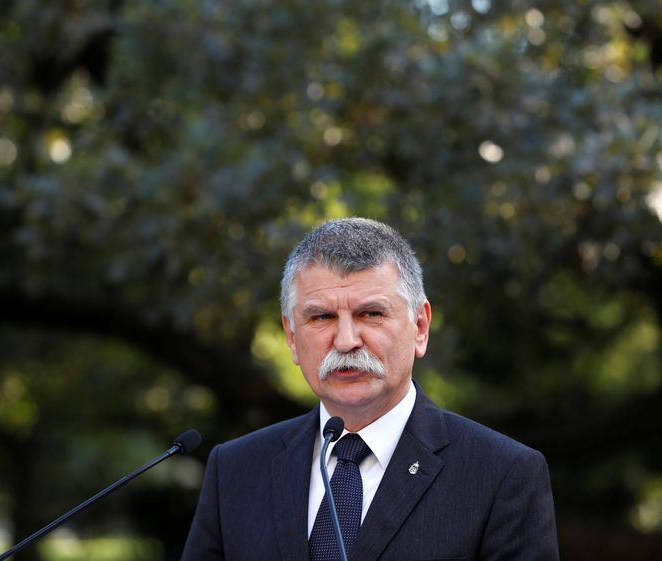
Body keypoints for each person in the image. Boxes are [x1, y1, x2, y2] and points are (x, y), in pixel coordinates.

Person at [181, 218, 559, 561]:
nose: (345, 340)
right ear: (292, 338)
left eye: (371, 314)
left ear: (420, 328)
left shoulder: (501, 474)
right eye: (322, 317)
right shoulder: (235, 470)